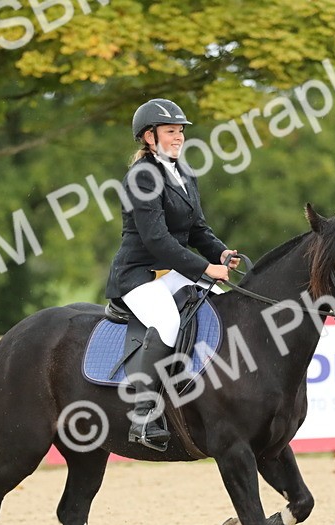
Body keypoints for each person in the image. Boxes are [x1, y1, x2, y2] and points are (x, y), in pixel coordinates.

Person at [105, 98, 239, 451]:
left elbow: (197, 229)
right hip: (139, 275)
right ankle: (144, 414)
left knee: (223, 306)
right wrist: (205, 267)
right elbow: (157, 240)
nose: (178, 137)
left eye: (180, 131)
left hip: (174, 271)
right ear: (149, 137)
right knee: (166, 321)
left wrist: (220, 252)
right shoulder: (141, 177)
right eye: (170, 131)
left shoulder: (184, 173)